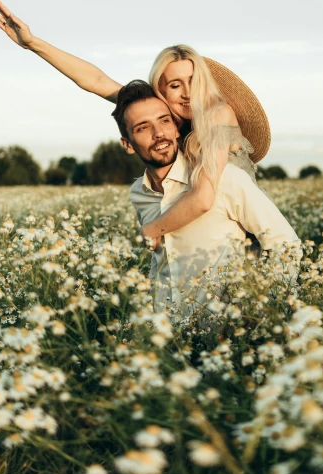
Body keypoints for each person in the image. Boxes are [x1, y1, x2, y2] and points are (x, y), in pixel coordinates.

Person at [0, 0, 272, 249]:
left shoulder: (217, 114)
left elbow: (204, 197)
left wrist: (151, 229)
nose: (187, 93)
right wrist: (33, 43)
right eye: (175, 85)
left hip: (246, 240)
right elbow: (97, 81)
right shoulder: (167, 121)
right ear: (160, 91)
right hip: (204, 242)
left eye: (193, 81)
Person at [112, 80, 300, 315]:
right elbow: (163, 262)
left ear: (176, 128)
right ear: (127, 145)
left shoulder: (224, 178)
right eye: (142, 128)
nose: (159, 133)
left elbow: (286, 244)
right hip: (172, 338)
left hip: (229, 336)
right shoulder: (139, 193)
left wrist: (263, 311)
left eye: (164, 121)